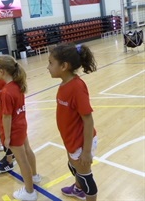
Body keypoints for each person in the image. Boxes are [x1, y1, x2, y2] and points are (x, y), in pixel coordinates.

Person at [47, 43, 98, 201]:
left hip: (81, 143)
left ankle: (85, 191)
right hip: (71, 139)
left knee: (86, 178)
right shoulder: (65, 83)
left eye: (50, 63)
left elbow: (88, 120)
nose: (47, 67)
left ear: (64, 66)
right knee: (73, 166)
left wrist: (87, 151)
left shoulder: (76, 87)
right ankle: (78, 189)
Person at [0, 55, 40, 201]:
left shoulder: (6, 91)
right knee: (27, 151)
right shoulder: (17, 85)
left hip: (14, 130)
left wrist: (7, 137)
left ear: (2, 71)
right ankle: (35, 176)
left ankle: (29, 191)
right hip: (21, 125)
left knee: (22, 161)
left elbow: (7, 116)